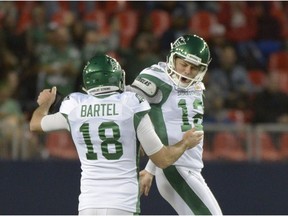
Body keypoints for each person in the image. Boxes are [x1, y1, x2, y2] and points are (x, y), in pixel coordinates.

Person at [29, 54, 203, 215]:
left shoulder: (74, 106)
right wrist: (185, 143)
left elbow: (35, 124)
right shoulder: (132, 104)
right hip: (122, 203)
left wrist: (46, 104)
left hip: (88, 205)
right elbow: (163, 159)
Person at [128, 34, 222, 215]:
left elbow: (170, 129)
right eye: (183, 64)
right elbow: (126, 106)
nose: (187, 71)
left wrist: (150, 170)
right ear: (173, 59)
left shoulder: (196, 86)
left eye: (194, 68)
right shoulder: (156, 77)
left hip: (187, 167)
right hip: (176, 169)